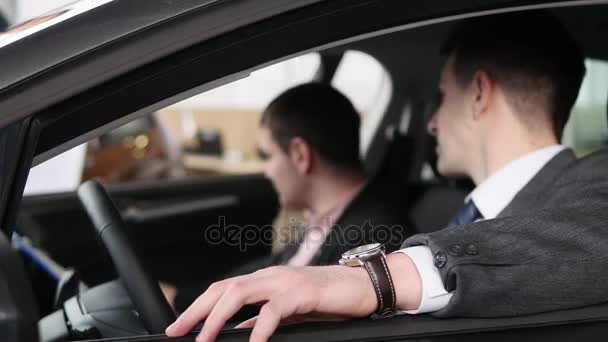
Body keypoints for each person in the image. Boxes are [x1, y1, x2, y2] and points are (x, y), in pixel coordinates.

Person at [165, 11, 608, 342]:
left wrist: (370, 280)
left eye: (441, 98)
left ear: (478, 94)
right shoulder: (465, 214)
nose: (431, 124)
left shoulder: (593, 180)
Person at [170, 83, 412, 311]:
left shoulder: (371, 239)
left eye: (268, 156)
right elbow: (270, 268)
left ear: (300, 155)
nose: (267, 171)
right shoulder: (329, 218)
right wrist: (182, 298)